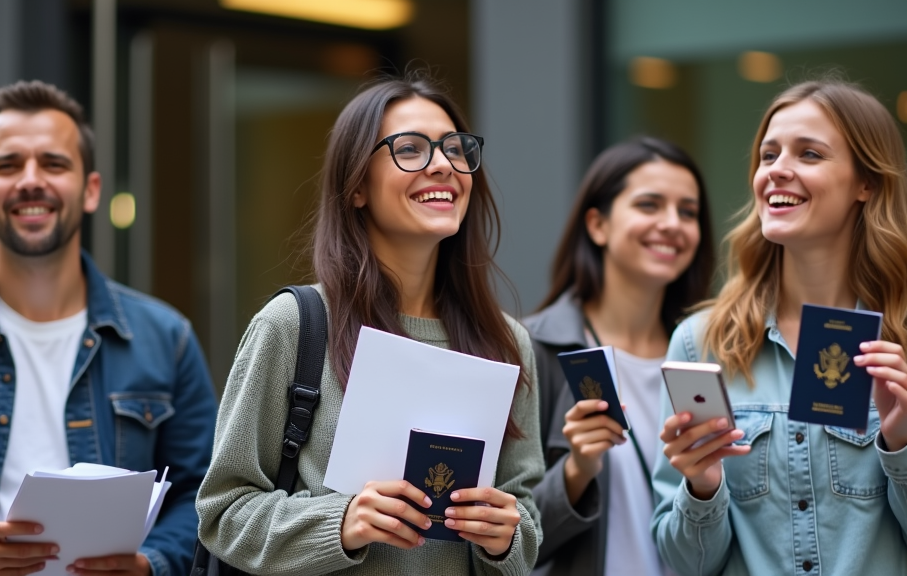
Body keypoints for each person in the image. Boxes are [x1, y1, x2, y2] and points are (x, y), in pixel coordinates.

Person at [195, 73, 545, 575]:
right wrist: (341, 522)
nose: (443, 165)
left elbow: (525, 514)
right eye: (410, 149)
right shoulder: (293, 325)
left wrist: (505, 537)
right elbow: (223, 512)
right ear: (356, 186)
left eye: (455, 149)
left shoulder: (506, 341)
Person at [0, 81, 218, 576]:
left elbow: (208, 497)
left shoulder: (167, 339)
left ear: (91, 190)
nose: (31, 180)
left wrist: (151, 564)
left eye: (54, 163)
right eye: (8, 164)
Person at [652, 79, 907, 575]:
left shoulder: (901, 342)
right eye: (768, 156)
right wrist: (702, 485)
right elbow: (684, 565)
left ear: (866, 183)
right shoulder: (700, 342)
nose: (777, 172)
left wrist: (901, 445)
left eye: (809, 154)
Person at [523, 138, 714, 576]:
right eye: (649, 205)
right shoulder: (533, 350)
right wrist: (577, 471)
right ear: (598, 225)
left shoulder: (710, 352)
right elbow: (504, 546)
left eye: (688, 212)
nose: (672, 224)